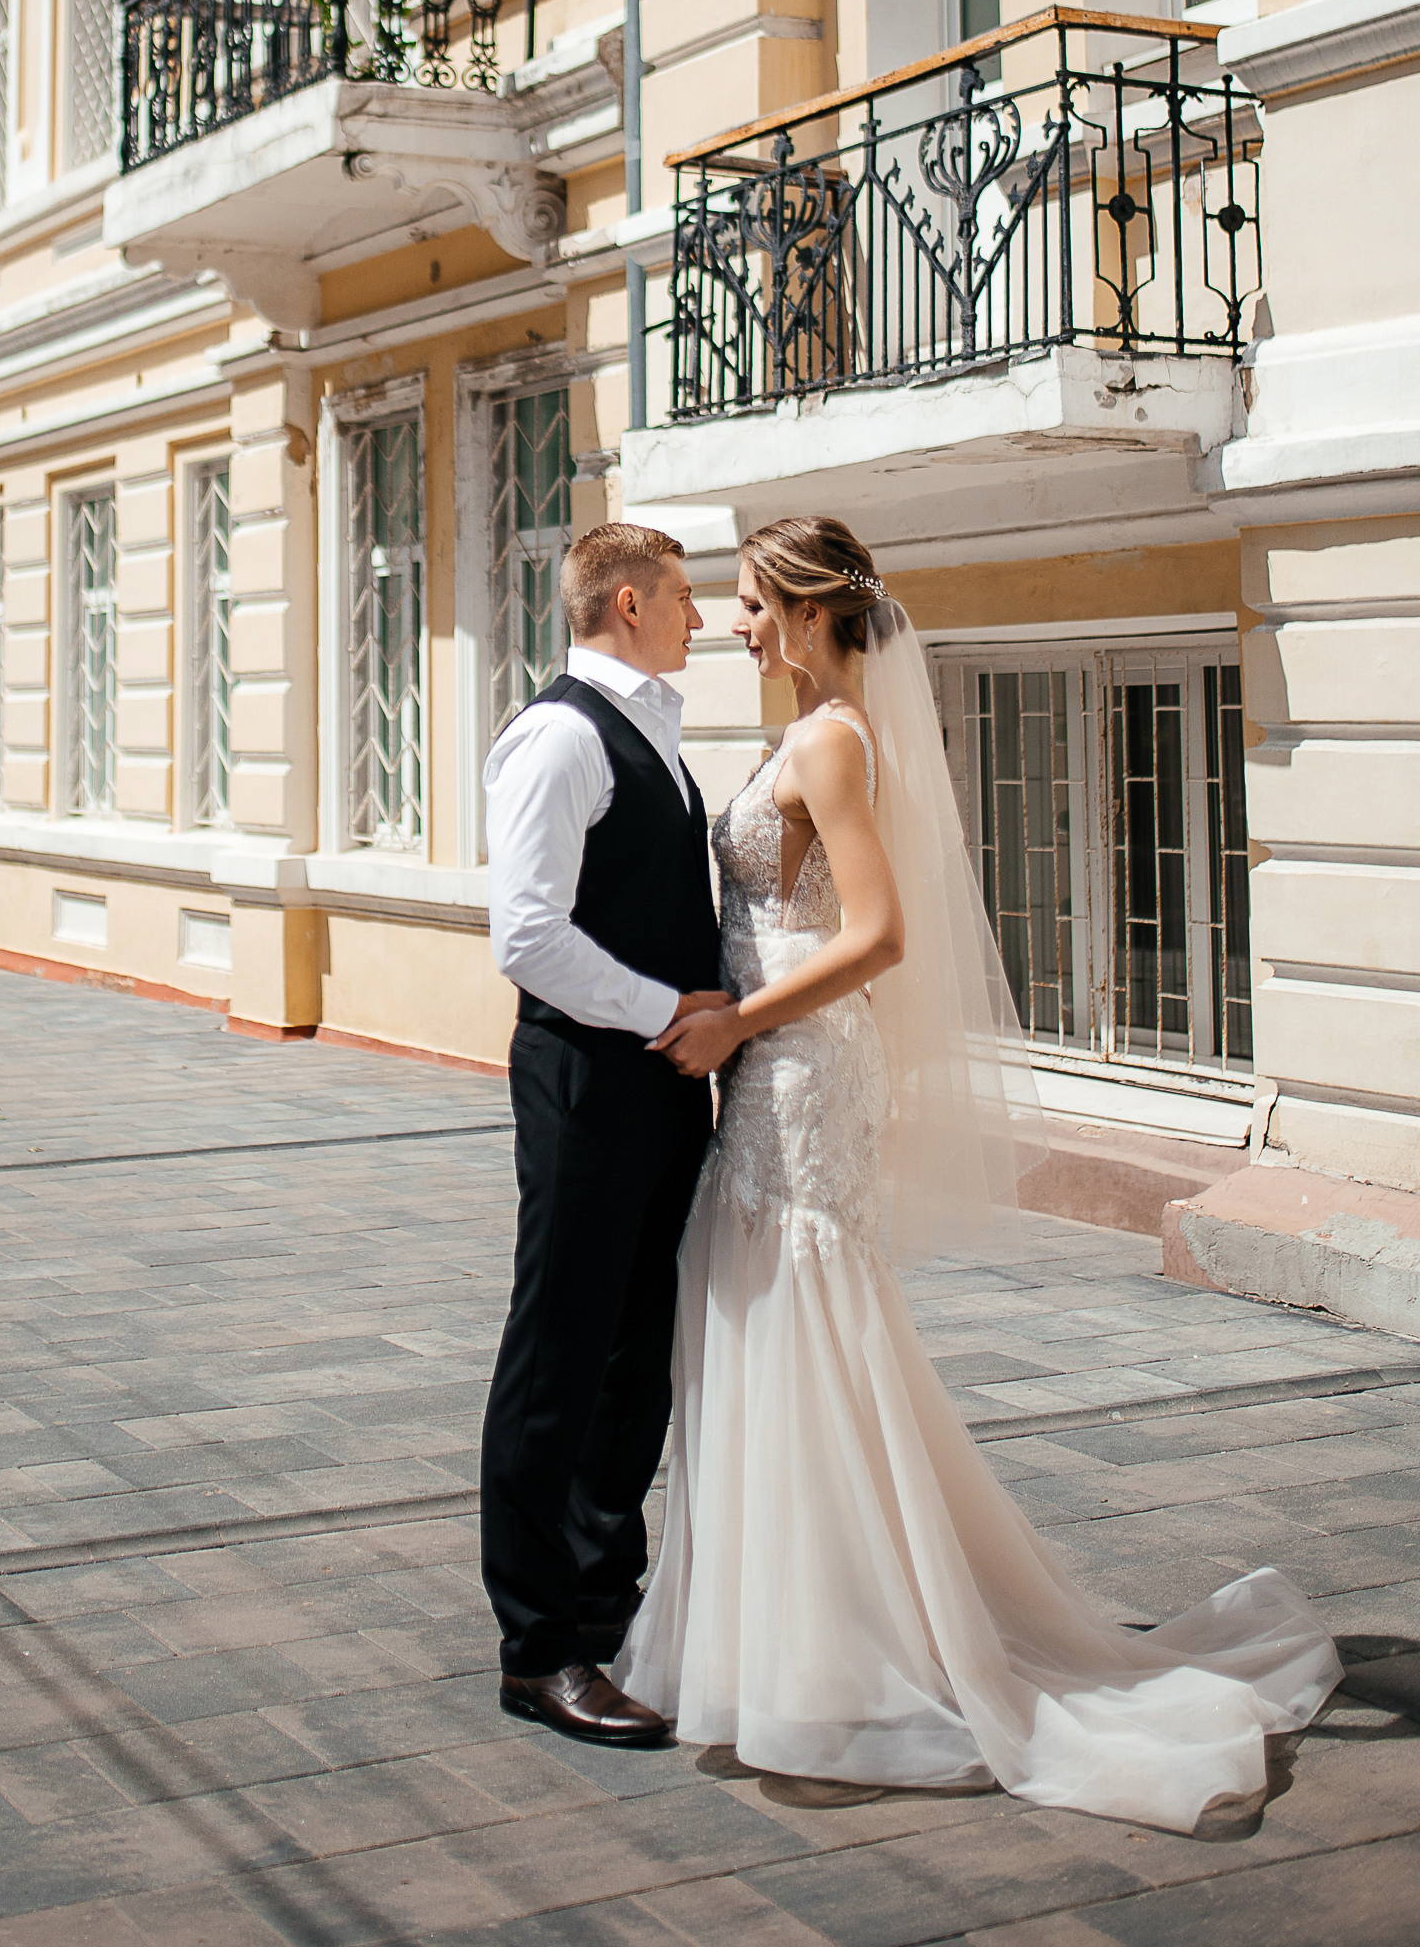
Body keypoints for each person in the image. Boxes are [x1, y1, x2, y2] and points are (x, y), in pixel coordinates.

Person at [614, 515, 1342, 1836]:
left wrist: (739, 1022)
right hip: (773, 1066)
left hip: (799, 1070)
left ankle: (850, 1646)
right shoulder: (807, 727)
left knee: (801, 1319)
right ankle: (800, 1631)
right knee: (774, 1319)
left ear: (813, 609)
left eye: (755, 604)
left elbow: (880, 935)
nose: (738, 623)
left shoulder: (833, 739)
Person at [478, 521, 736, 1746]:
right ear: (626, 603)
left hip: (658, 1080)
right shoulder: (559, 735)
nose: (697, 617)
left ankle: (601, 1604)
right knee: (559, 1355)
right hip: (588, 1073)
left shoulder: (651, 734)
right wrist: (663, 1014)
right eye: (682, 598)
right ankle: (538, 1647)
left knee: (635, 1354)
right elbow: (524, 936)